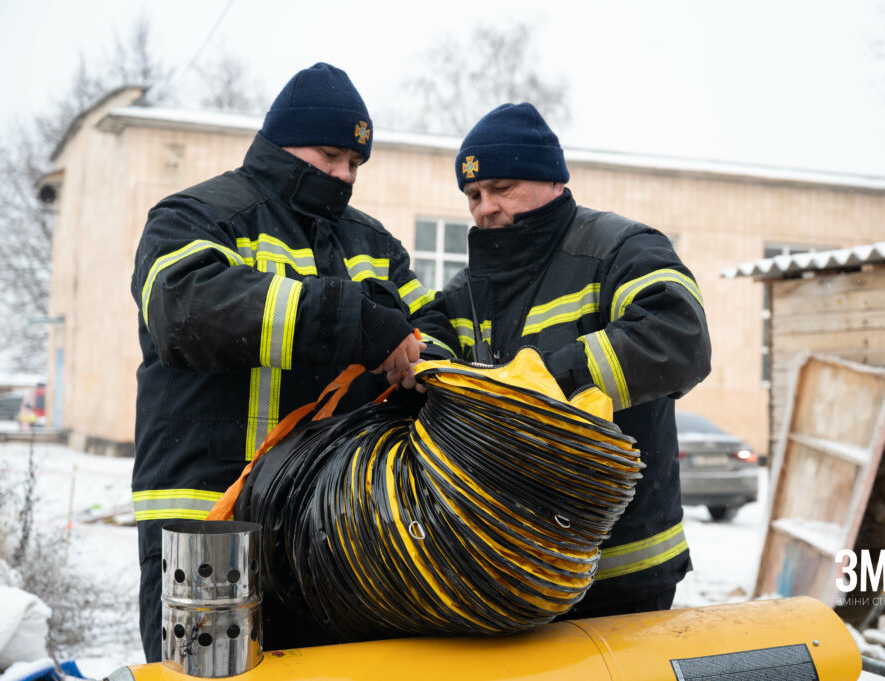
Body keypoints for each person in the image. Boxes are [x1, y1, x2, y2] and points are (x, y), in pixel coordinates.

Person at [129, 62, 445, 660]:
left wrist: (423, 357)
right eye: (330, 156)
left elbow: (433, 334)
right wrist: (349, 319)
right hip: (211, 525)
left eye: (354, 164)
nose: (343, 175)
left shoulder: (373, 244)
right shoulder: (196, 216)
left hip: (333, 529)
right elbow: (185, 309)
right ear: (280, 141)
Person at [433, 102, 712, 619]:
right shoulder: (472, 288)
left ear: (551, 181)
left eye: (502, 188)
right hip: (515, 569)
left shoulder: (621, 248)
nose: (485, 207)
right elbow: (431, 336)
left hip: (621, 571)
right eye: (473, 195)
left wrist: (548, 380)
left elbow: (680, 337)